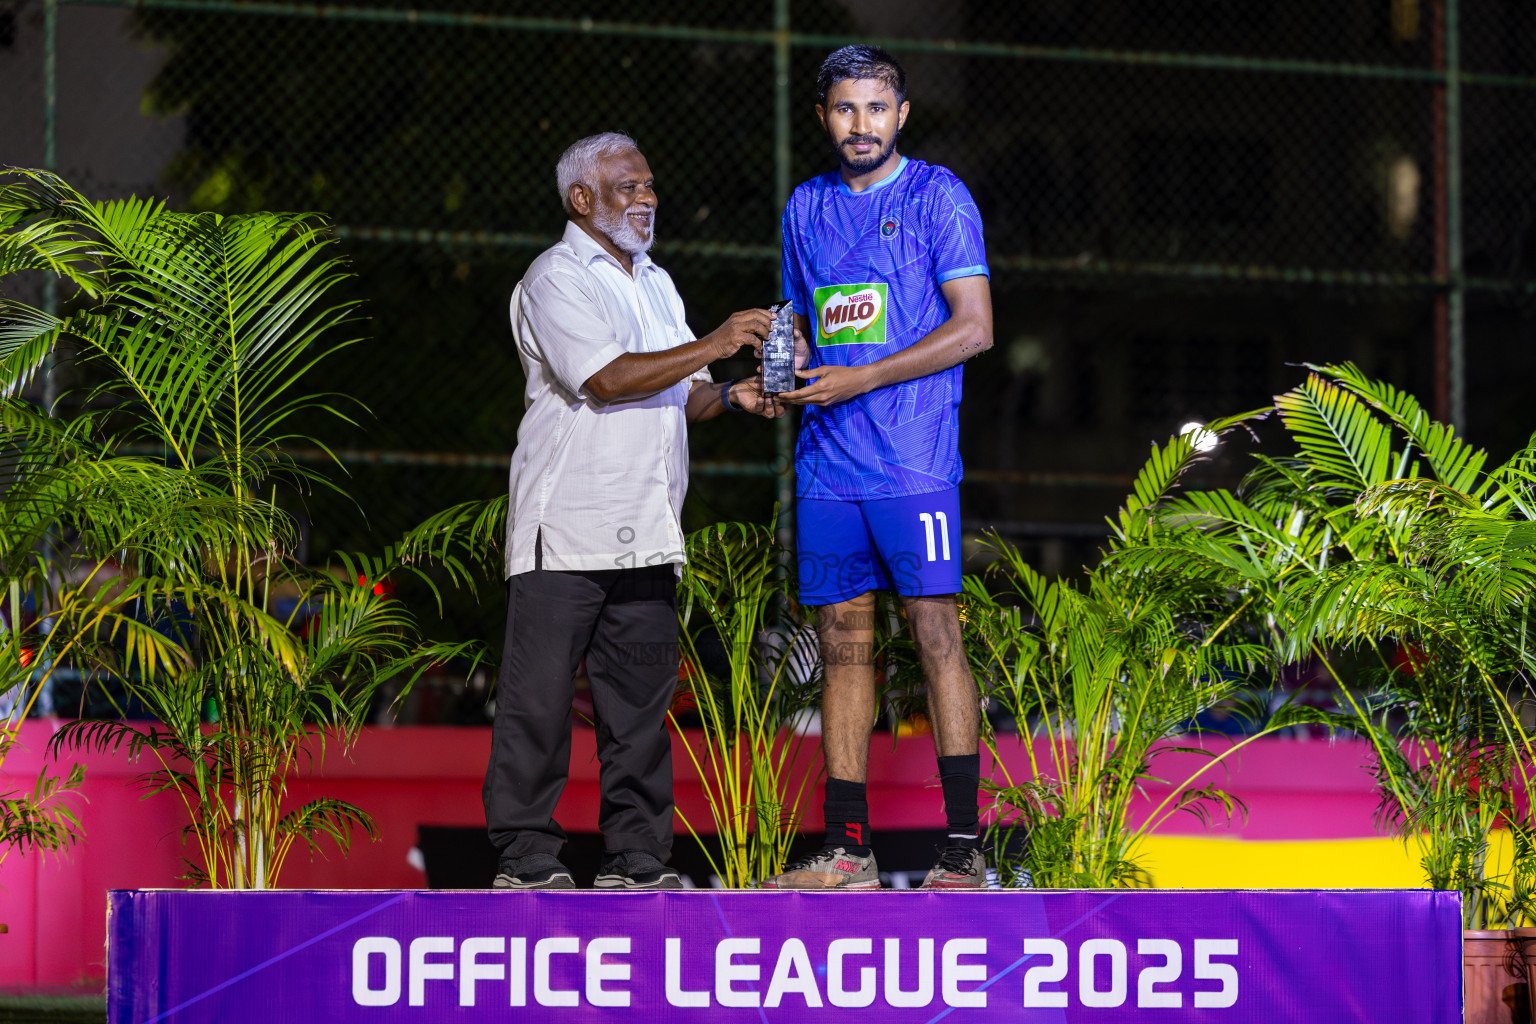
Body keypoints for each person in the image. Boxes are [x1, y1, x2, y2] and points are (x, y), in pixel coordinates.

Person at [487, 131, 780, 890]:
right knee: (539, 710)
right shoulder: (554, 278)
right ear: (581, 199)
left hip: (647, 534)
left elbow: (684, 392)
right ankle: (525, 859)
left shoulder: (655, 282)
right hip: (566, 533)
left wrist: (733, 392)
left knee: (641, 718)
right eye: (628, 187)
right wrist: (715, 340)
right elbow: (609, 380)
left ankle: (639, 862)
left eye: (650, 185)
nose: (647, 198)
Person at [762, 46, 994, 890]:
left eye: (875, 108)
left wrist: (863, 376)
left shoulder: (939, 196)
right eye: (843, 109)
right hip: (827, 467)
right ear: (824, 116)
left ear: (901, 114)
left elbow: (975, 328)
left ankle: (963, 849)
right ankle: (846, 847)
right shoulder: (806, 207)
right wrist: (776, 382)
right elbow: (797, 324)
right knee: (844, 648)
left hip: (914, 462)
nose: (860, 125)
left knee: (936, 638)